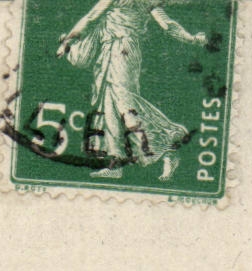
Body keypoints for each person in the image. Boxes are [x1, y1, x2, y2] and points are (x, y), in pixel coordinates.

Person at [56, 0, 209, 180]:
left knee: (125, 104)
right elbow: (167, 25)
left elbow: (90, 17)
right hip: (113, 50)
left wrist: (67, 41)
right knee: (109, 105)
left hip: (122, 51)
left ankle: (169, 142)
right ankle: (116, 163)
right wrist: (192, 39)